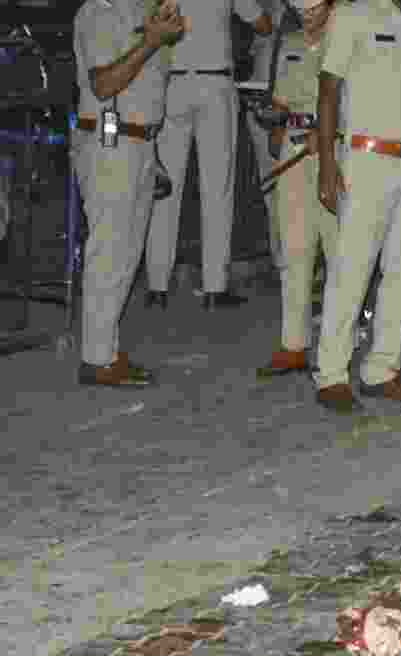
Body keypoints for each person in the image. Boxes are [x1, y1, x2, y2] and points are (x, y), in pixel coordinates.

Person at [312, 0, 401, 413]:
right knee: (352, 268)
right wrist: (327, 166)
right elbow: (328, 90)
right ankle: (331, 374)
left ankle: (382, 368)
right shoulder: (351, 14)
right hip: (365, 158)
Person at [71, 0, 185, 387]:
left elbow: (147, 92)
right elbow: (104, 85)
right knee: (109, 252)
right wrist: (151, 42)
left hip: (139, 143)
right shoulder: (98, 11)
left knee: (126, 256)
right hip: (109, 142)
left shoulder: (143, 10)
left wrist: (152, 157)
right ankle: (97, 358)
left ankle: (106, 352)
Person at [144, 0, 272, 310]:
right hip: (215, 84)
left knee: (165, 190)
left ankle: (157, 285)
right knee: (218, 189)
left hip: (172, 83)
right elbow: (263, 24)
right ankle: (215, 286)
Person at [256, 0, 338, 378]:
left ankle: (337, 347)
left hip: (333, 151)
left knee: (338, 251)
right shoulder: (287, 42)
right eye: (299, 6)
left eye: (313, 6)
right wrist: (277, 134)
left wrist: (328, 138)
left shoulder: (345, 39)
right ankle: (293, 345)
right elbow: (279, 99)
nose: (306, 13)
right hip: (293, 150)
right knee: (294, 249)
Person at [247, 0, 289, 287]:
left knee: (295, 187)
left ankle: (301, 261)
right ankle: (281, 260)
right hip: (259, 100)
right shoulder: (261, 6)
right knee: (271, 186)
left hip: (297, 108)